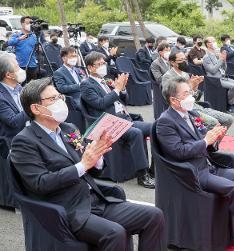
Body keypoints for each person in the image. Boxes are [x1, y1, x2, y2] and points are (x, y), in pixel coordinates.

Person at [10, 77, 166, 250]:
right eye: (53, 99)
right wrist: (82, 165)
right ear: (36, 108)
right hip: (67, 209)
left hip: (96, 200)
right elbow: (40, 183)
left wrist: (97, 157)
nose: (60, 101)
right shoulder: (24, 141)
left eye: (59, 96)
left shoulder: (69, 129)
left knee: (154, 216)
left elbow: (92, 170)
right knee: (115, 233)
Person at [157, 76, 234, 251]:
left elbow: (207, 146)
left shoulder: (192, 114)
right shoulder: (165, 122)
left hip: (209, 166)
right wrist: (205, 141)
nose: (191, 97)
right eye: (186, 93)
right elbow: (178, 152)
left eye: (191, 92)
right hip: (193, 173)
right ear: (173, 99)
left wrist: (215, 138)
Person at [80, 52, 155, 188]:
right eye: (100, 64)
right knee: (136, 133)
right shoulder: (86, 85)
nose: (104, 66)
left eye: (104, 63)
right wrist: (116, 90)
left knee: (154, 128)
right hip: (107, 123)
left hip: (123, 118)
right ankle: (142, 175)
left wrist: (123, 89)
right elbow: (100, 104)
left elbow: (124, 100)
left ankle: (153, 169)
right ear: (90, 68)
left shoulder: (106, 81)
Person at [162, 51, 234, 129]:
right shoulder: (168, 76)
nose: (184, 62)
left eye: (185, 59)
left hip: (195, 107)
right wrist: (190, 87)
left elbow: (194, 98)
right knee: (213, 122)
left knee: (228, 119)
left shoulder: (185, 74)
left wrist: (195, 86)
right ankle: (203, 140)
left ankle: (213, 141)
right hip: (183, 110)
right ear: (173, 62)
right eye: (181, 60)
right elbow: (169, 99)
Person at [203, 36, 234, 114]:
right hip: (215, 80)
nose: (214, 43)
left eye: (214, 41)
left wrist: (224, 61)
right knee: (232, 86)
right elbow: (212, 71)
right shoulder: (206, 57)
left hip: (223, 77)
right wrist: (220, 59)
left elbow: (224, 69)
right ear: (207, 44)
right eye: (212, 41)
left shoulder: (216, 54)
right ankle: (230, 105)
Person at [0, 54, 29, 145]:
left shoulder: (18, 87)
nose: (21, 70)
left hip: (30, 132)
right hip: (14, 141)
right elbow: (14, 122)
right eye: (17, 67)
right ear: (8, 75)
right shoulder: (1, 97)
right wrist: (33, 105)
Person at [7, 16, 38, 83]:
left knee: (32, 86)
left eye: (30, 23)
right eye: (27, 23)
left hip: (32, 65)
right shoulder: (17, 34)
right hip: (21, 65)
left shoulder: (34, 36)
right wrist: (19, 39)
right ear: (22, 23)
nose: (29, 25)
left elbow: (38, 47)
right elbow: (8, 42)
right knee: (21, 85)